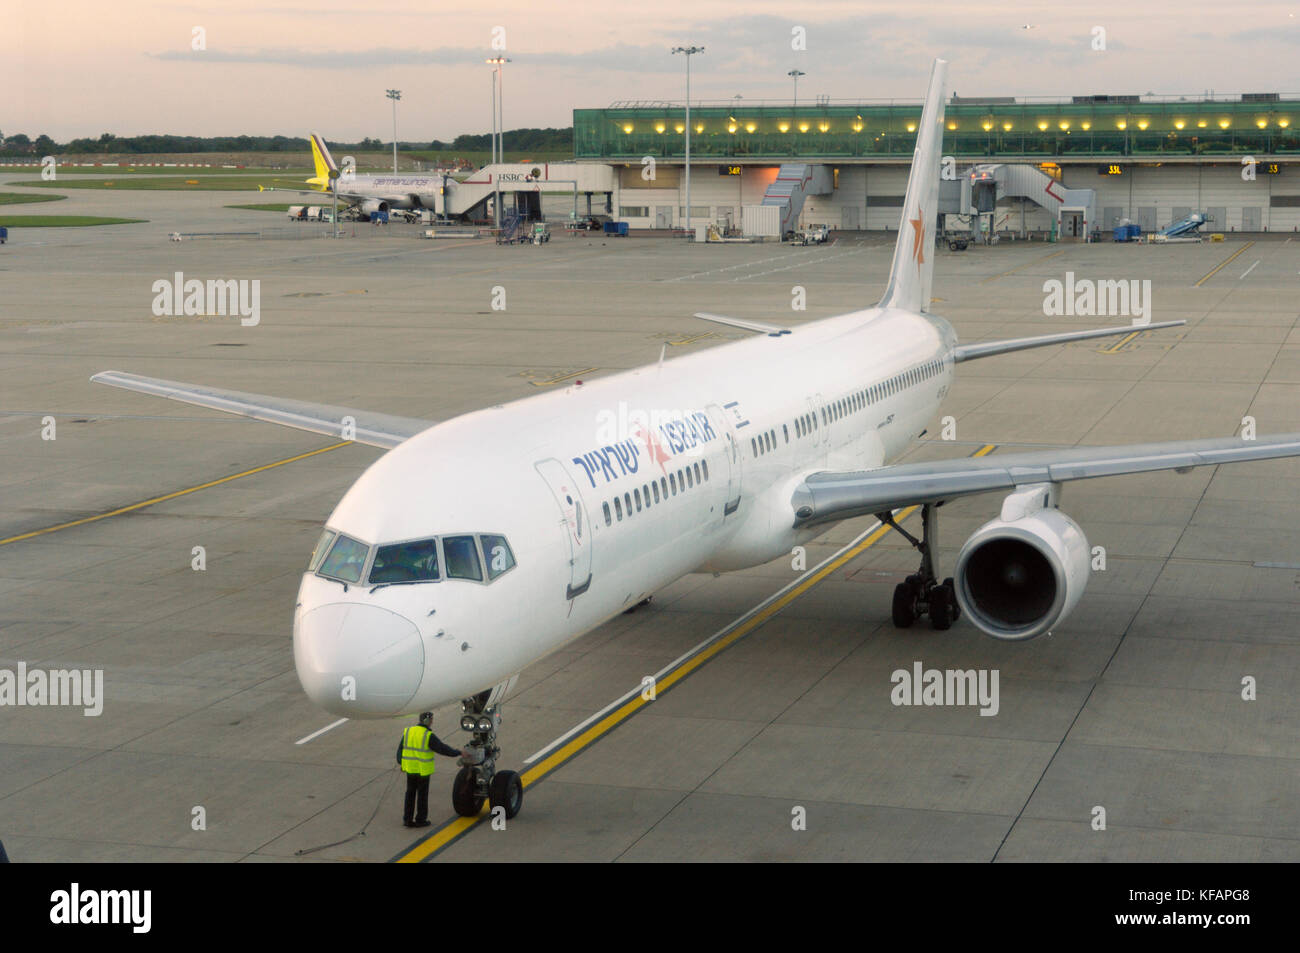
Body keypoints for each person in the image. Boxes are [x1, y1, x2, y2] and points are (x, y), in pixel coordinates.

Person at [397, 712, 465, 828]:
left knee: (410, 793)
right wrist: (458, 752)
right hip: (423, 770)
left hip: (410, 769)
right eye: (431, 720)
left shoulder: (409, 731)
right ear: (427, 721)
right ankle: (420, 820)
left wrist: (402, 763)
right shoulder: (427, 735)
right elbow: (442, 748)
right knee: (422, 795)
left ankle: (407, 819)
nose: (432, 722)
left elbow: (400, 750)